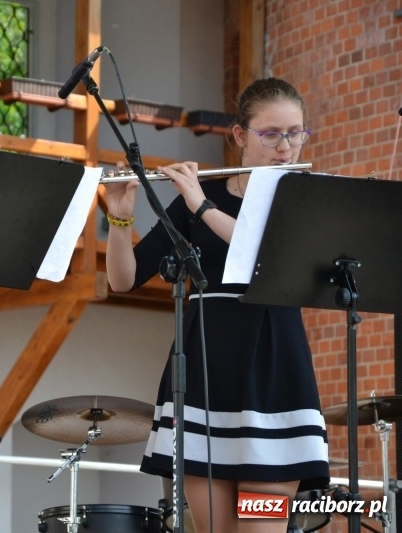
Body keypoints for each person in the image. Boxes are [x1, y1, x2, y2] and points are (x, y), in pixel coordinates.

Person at [104, 77, 329, 532]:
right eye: (272, 134)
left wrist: (201, 203)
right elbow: (124, 279)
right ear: (241, 136)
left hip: (274, 373)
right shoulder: (200, 198)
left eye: (296, 133)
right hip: (206, 370)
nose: (286, 146)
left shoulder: (299, 198)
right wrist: (119, 215)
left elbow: (259, 251)